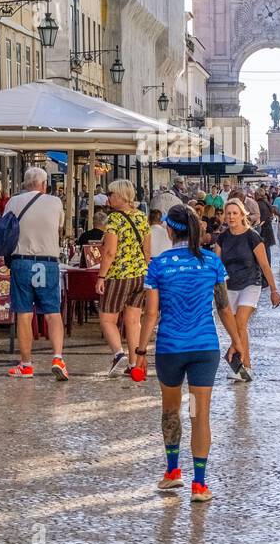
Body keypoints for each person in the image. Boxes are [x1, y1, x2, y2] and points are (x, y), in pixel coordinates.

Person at [135, 203, 245, 503]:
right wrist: (236, 342)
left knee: (170, 410)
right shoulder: (210, 262)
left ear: (169, 230)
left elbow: (151, 313)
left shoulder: (158, 265)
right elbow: (223, 307)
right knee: (199, 415)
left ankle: (172, 472)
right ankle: (199, 484)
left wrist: (140, 350)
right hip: (204, 348)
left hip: (170, 349)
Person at [4, 166, 68, 381]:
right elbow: (59, 227)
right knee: (53, 312)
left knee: (24, 313)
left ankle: (26, 364)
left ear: (25, 184)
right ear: (43, 184)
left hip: (21, 262)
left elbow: (6, 228)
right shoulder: (55, 202)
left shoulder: (13, 202)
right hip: (48, 262)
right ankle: (58, 358)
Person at [216, 199, 280, 382]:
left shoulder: (252, 236)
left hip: (251, 284)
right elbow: (216, 265)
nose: (231, 217)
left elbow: (264, 265)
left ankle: (246, 365)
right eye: (228, 213)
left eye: (234, 213)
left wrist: (274, 290)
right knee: (235, 327)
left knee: (240, 323)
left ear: (242, 215)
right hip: (229, 286)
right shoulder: (222, 238)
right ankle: (238, 363)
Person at [95, 179, 151, 377]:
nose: (108, 198)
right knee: (133, 320)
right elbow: (147, 250)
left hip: (119, 275)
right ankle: (134, 363)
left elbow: (109, 252)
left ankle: (118, 353)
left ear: (120, 196)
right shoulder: (142, 217)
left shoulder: (114, 220)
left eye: (111, 194)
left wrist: (101, 277)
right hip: (140, 275)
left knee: (107, 319)